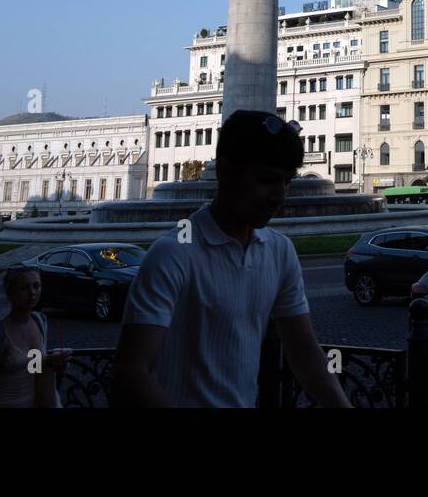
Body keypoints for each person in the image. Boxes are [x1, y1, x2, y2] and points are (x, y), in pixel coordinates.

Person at [113, 110, 350, 407]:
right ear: (224, 172)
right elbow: (130, 374)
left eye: (287, 182)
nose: (280, 196)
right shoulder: (172, 254)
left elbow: (304, 350)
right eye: (267, 180)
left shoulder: (280, 251)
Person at [0, 266, 68, 407]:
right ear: (9, 293)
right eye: (24, 288)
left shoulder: (39, 322)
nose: (32, 293)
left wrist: (50, 362)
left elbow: (31, 368)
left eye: (36, 286)